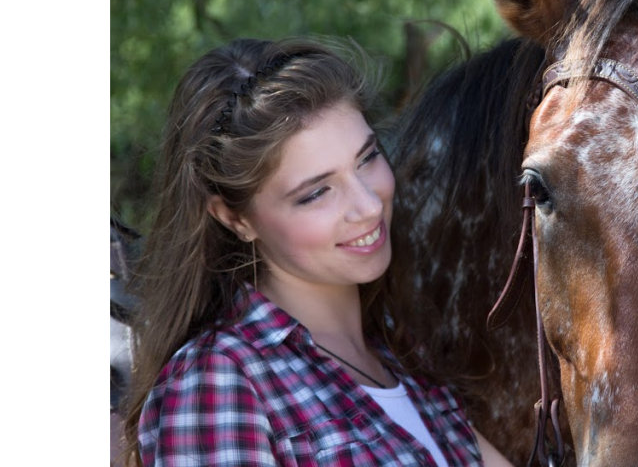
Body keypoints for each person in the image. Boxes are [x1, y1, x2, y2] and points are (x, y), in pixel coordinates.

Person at [120, 38, 512, 467]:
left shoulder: (407, 357)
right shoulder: (218, 380)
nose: (367, 204)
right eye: (316, 193)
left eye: (367, 158)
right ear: (236, 218)